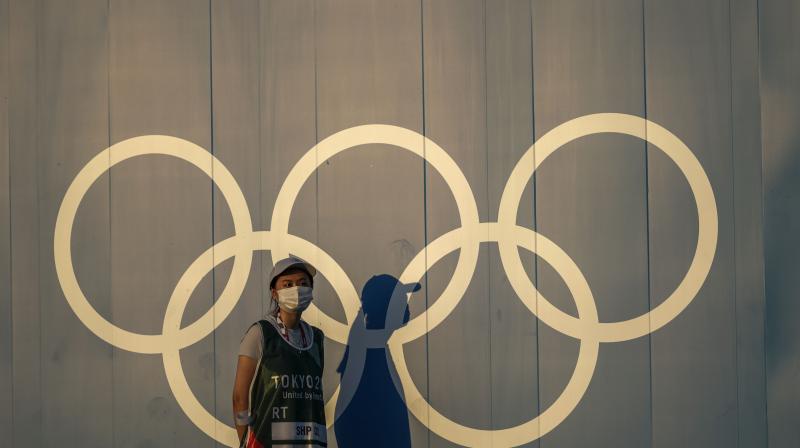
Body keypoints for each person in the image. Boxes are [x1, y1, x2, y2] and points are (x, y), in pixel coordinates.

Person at [232, 256, 326, 448]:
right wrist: (246, 442)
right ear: (274, 293)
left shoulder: (316, 338)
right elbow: (239, 398)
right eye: (288, 284)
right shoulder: (260, 333)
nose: (296, 289)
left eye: (303, 283)